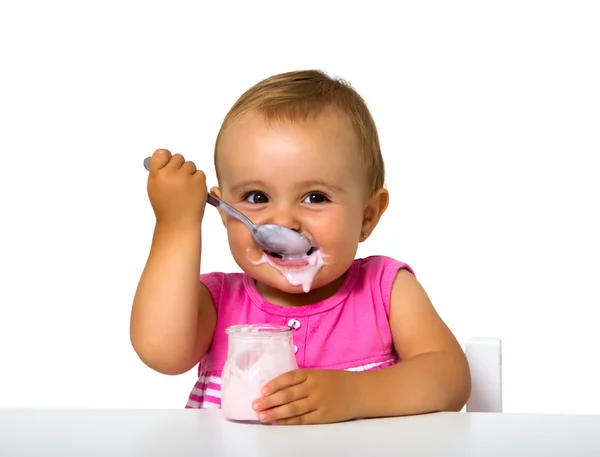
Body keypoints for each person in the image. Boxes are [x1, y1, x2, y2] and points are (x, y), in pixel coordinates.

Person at [130, 69, 471, 425]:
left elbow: (451, 378)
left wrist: (356, 394)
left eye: (315, 197)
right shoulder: (217, 302)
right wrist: (176, 225)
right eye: (256, 197)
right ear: (224, 212)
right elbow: (160, 352)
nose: (284, 221)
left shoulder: (385, 291)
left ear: (367, 216)